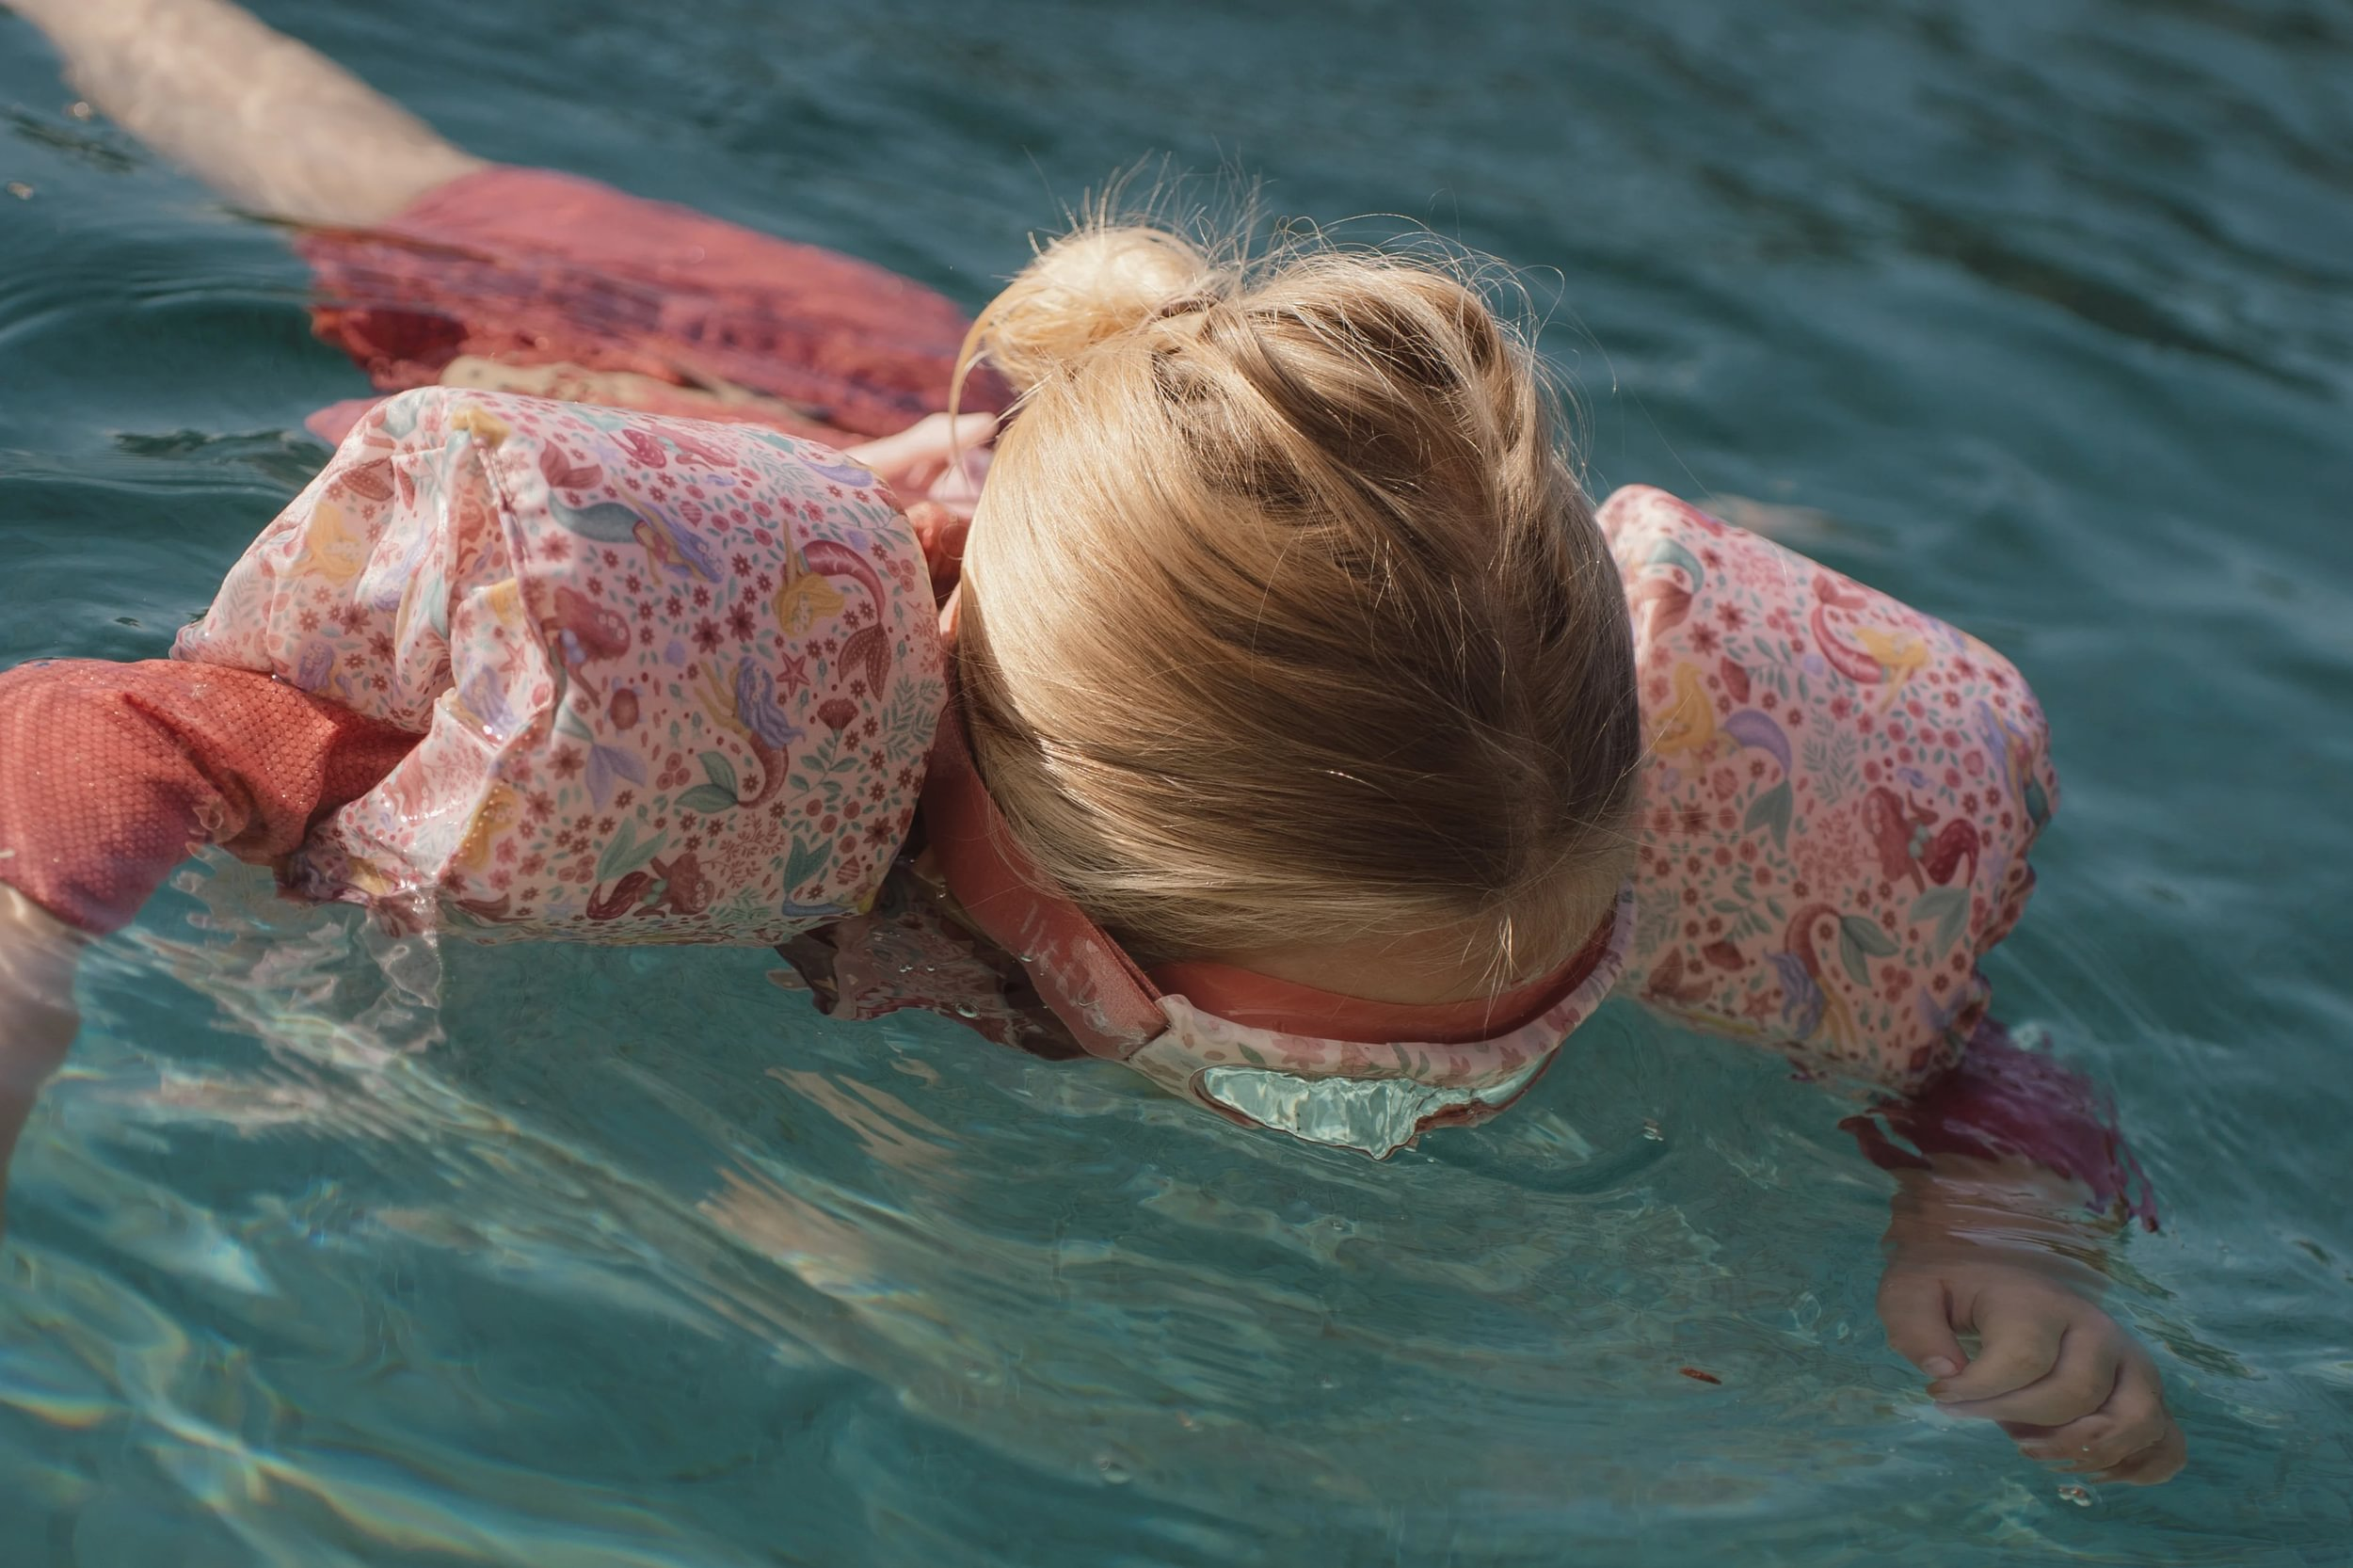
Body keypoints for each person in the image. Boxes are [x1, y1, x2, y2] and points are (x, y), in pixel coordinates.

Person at [0, 0, 2183, 1484]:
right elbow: (128, 726)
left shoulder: (1583, 788)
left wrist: (1995, 1222)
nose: (1416, 1129)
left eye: (1519, 1027)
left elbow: (1952, 1039)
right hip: (682, 371)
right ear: (1025, 861)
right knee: (345, 166)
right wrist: (27, 942)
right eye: (1319, 1090)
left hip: (1097, 494)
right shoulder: (663, 710)